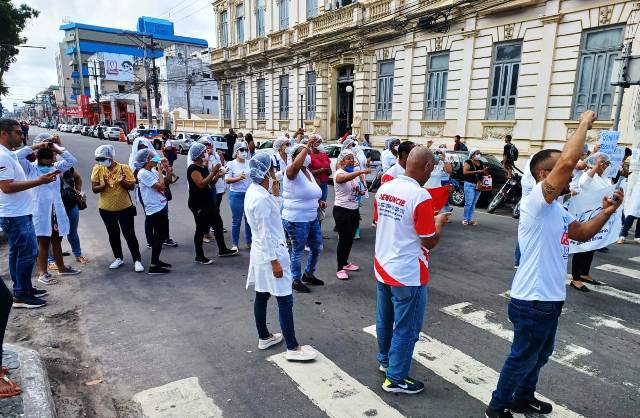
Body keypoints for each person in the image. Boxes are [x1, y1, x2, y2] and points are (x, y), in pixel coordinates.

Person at [486, 111, 624, 418]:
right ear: (542, 175)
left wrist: (607, 212)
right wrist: (584, 125)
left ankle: (522, 398)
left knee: (540, 354)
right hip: (533, 300)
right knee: (523, 356)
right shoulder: (536, 202)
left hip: (549, 299)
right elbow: (565, 163)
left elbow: (581, 233)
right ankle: (497, 408)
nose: (572, 175)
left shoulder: (558, 210)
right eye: (564, 171)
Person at [374, 146, 450, 394]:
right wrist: (438, 223)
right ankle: (395, 379)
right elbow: (429, 241)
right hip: (408, 272)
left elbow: (381, 222)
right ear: (426, 167)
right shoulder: (421, 196)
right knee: (407, 327)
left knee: (385, 319)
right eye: (433, 167)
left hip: (383, 265)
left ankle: (386, 362)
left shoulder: (385, 187)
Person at [244, 152, 318, 361]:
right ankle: (293, 347)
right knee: (285, 299)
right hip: (271, 254)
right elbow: (267, 232)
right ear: (266, 171)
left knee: (262, 294)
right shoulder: (261, 199)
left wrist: (274, 192)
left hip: (262, 253)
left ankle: (264, 337)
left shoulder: (256, 192)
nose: (276, 172)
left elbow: (272, 212)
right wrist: (274, 262)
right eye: (273, 169)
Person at [0, 119, 57, 309]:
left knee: (17, 253)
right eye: (17, 132)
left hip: (19, 212)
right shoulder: (2, 156)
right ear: (4, 133)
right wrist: (39, 181)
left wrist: (39, 145)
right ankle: (21, 295)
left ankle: (22, 289)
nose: (21, 135)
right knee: (28, 252)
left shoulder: (8, 154)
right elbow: (7, 187)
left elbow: (20, 153)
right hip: (14, 215)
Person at [17, 135, 81, 285]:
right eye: (44, 162)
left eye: (50, 161)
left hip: (55, 212)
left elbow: (72, 160)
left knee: (56, 240)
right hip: (40, 212)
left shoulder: (55, 168)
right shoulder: (30, 169)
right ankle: (42, 273)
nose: (48, 165)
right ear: (37, 159)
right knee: (43, 241)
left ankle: (61, 268)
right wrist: (37, 146)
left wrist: (56, 148)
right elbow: (17, 156)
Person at [91, 145, 144, 272]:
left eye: (102, 158)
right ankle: (118, 258)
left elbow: (131, 187)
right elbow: (94, 189)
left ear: (110, 157)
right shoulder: (98, 169)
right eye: (98, 159)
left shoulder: (124, 168)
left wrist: (122, 182)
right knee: (113, 235)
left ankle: (137, 260)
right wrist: (103, 185)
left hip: (124, 208)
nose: (100, 161)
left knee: (129, 234)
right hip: (106, 209)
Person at [282, 141, 325, 293]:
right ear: (295, 157)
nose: (307, 155)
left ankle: (308, 274)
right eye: (303, 153)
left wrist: (318, 202)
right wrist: (306, 147)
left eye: (307, 153)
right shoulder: (291, 172)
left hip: (311, 217)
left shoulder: (307, 172)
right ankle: (295, 279)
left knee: (317, 247)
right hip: (296, 219)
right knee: (298, 250)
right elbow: (294, 168)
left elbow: (309, 192)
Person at [187, 143, 238, 264]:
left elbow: (209, 184)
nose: (206, 153)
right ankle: (199, 256)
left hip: (208, 202)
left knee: (218, 224)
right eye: (204, 152)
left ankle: (222, 249)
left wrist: (217, 176)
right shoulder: (193, 169)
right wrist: (213, 171)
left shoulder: (203, 167)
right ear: (198, 155)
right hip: (198, 204)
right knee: (201, 229)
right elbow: (201, 184)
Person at [569, 152, 612, 292]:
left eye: (606, 163)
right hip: (586, 215)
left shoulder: (604, 177)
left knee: (592, 246)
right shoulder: (588, 174)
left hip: (598, 216)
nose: (604, 166)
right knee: (581, 247)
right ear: (595, 163)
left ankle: (584, 273)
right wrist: (595, 167)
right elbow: (583, 183)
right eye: (602, 163)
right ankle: (575, 278)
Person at [133, 149, 171, 275]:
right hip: (154, 209)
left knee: (162, 236)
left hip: (161, 205)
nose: (155, 159)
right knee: (158, 237)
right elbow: (161, 186)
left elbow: (167, 181)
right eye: (151, 157)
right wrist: (160, 170)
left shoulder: (152, 171)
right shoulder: (143, 173)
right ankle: (153, 266)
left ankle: (157, 260)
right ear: (146, 160)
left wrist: (167, 168)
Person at [333, 149, 370, 280]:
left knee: (349, 239)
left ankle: (345, 263)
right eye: (348, 158)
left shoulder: (350, 174)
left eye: (352, 158)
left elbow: (352, 190)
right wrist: (360, 171)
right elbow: (340, 179)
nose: (352, 160)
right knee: (343, 240)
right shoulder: (340, 172)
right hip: (342, 210)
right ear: (342, 160)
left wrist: (360, 192)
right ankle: (340, 268)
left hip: (353, 210)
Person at [225, 141, 252, 250]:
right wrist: (238, 178)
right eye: (241, 150)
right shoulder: (231, 164)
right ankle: (235, 244)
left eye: (246, 150)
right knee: (236, 220)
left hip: (249, 194)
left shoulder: (249, 163)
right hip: (236, 194)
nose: (244, 152)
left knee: (249, 219)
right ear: (236, 152)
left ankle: (249, 242)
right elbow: (227, 180)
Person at [462, 148, 487, 226]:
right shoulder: (468, 162)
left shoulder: (481, 162)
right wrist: (476, 171)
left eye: (479, 153)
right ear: (472, 155)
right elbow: (465, 172)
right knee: (468, 203)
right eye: (477, 153)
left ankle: (470, 219)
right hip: (469, 184)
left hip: (478, 185)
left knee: (473, 203)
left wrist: (485, 171)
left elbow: (483, 172)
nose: (478, 155)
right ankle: (465, 219)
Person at [308, 134, 331, 208]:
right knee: (314, 206)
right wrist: (320, 170)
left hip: (324, 185)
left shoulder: (324, 154)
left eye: (321, 142)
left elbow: (329, 171)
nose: (320, 144)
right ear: (312, 143)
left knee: (322, 206)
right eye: (318, 142)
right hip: (314, 184)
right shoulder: (309, 155)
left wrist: (328, 171)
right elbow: (307, 172)